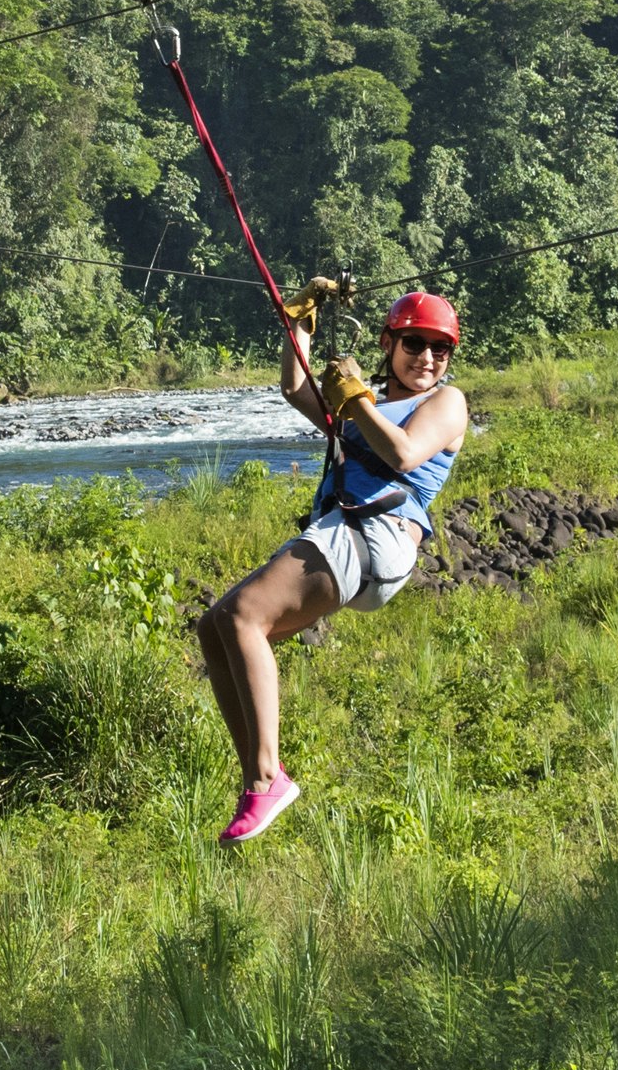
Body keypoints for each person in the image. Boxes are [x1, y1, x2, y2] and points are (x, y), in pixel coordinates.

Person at [194, 288, 467, 844]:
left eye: (440, 349)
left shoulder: (445, 403)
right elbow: (296, 387)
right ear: (389, 344)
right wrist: (298, 326)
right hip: (349, 536)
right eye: (414, 343)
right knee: (217, 627)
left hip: (375, 534)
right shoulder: (363, 404)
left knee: (246, 616)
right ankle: (256, 776)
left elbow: (403, 455)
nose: (427, 358)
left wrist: (357, 398)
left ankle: (269, 777)